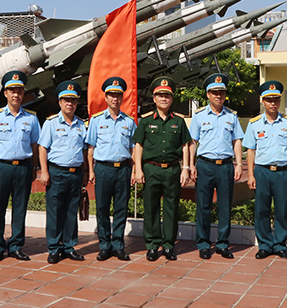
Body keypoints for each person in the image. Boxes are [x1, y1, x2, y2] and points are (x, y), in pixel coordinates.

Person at [0, 70, 40, 262]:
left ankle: (15, 246)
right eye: (12, 91)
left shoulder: (31, 118)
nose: (16, 94)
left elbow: (35, 145)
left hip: (23, 167)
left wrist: (33, 168)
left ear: (23, 93)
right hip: (1, 167)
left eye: (19, 91)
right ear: (5, 93)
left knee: (20, 208)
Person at [132, 77, 192, 261]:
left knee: (171, 208)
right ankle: (151, 245)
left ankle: (168, 245)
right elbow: (138, 146)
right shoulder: (145, 121)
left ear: (172, 99)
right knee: (150, 208)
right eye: (160, 95)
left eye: (167, 95)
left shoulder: (179, 122)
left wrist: (186, 168)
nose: (164, 98)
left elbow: (185, 146)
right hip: (151, 169)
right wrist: (138, 169)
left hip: (173, 170)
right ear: (155, 98)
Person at [189, 73, 243, 260]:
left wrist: (238, 164)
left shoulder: (232, 116)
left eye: (221, 92)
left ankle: (222, 244)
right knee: (203, 206)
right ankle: (203, 244)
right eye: (214, 92)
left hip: (225, 166)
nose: (218, 95)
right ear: (207, 95)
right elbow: (192, 142)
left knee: (224, 206)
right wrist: (191, 165)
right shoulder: (199, 116)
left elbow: (237, 141)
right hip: (205, 165)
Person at [243, 80, 287, 260]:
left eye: (276, 99)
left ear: (279, 101)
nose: (272, 103)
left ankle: (280, 245)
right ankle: (265, 245)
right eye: (269, 100)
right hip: (262, 171)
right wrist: (251, 175)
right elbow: (250, 151)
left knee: (282, 209)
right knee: (262, 209)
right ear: (263, 102)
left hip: (283, 171)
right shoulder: (254, 124)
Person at [85, 76, 136, 261]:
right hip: (104, 169)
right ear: (106, 97)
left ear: (122, 98)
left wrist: (135, 169)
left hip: (123, 169)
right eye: (111, 95)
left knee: (121, 208)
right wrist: (91, 170)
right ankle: (105, 245)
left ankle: (118, 246)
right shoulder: (97, 121)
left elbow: (133, 148)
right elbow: (90, 148)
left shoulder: (129, 122)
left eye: (118, 95)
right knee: (102, 208)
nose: (115, 98)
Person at [38, 80, 88, 264]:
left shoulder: (81, 124)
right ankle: (53, 247)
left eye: (73, 100)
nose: (70, 103)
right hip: (56, 172)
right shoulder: (51, 123)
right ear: (59, 102)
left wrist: (85, 172)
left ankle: (69, 246)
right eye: (66, 100)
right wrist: (44, 171)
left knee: (70, 211)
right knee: (55, 211)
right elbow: (42, 148)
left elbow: (84, 150)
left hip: (75, 173)